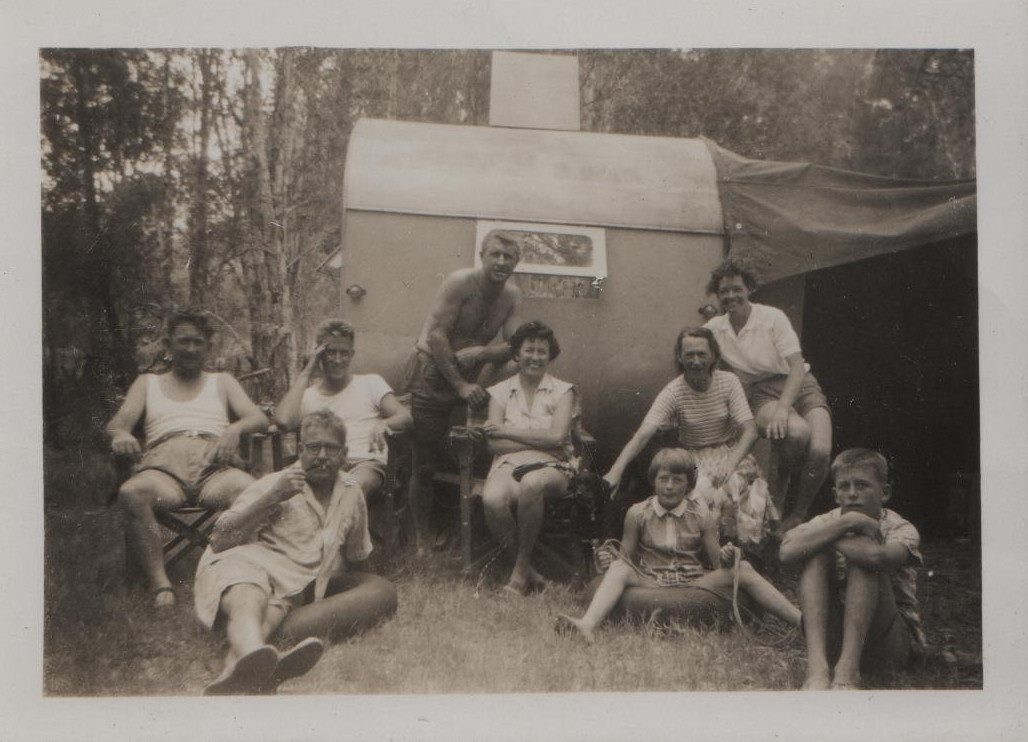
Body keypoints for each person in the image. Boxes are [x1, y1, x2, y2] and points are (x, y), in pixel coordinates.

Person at [194, 409, 398, 695]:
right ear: (300, 450)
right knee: (251, 596)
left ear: (345, 454)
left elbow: (358, 557)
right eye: (314, 448)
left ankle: (236, 671)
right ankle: (260, 661)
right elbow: (219, 539)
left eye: (331, 448)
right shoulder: (276, 483)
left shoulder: (352, 491)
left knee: (275, 608)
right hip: (242, 564)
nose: (322, 456)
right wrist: (274, 496)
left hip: (290, 587)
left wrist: (370, 595)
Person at [107, 309, 269, 608]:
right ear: (168, 345)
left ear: (209, 346)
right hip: (163, 470)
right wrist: (121, 435)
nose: (191, 349)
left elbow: (258, 418)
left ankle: (238, 575)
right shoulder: (147, 383)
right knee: (132, 491)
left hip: (215, 467)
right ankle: (161, 585)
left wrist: (234, 429)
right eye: (183, 341)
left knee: (249, 489)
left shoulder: (222, 381)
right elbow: (117, 425)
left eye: (198, 342)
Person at [555, 448, 800, 643]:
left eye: (677, 480)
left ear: (689, 484)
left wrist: (727, 556)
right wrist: (608, 561)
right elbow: (625, 558)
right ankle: (587, 625)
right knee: (619, 569)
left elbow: (717, 563)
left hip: (693, 580)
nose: (669, 486)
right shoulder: (638, 513)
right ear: (654, 481)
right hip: (651, 579)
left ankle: (801, 622)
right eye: (663, 479)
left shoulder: (702, 515)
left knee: (742, 568)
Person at [405, 230, 524, 555]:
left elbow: (515, 347)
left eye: (508, 257)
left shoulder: (512, 296)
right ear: (482, 256)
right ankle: (421, 536)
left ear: (516, 263)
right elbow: (436, 336)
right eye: (495, 254)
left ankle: (467, 530)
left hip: (471, 378)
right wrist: (460, 385)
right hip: (433, 373)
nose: (501, 262)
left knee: (473, 452)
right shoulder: (460, 282)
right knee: (424, 461)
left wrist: (481, 353)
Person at [779, 449, 925, 690]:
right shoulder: (829, 520)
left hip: (889, 641)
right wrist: (847, 523)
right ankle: (817, 669)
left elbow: (878, 557)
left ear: (885, 492)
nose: (852, 493)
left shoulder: (900, 527)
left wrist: (828, 536)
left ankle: (847, 673)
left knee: (863, 554)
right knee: (816, 555)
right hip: (837, 636)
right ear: (835, 495)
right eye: (844, 487)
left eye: (862, 485)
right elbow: (785, 553)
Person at [704, 259, 832, 531]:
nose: (731, 296)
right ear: (717, 294)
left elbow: (796, 366)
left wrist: (784, 407)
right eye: (724, 291)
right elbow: (700, 360)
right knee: (796, 433)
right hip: (763, 391)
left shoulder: (772, 317)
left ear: (749, 289)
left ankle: (798, 515)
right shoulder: (715, 329)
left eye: (737, 289)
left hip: (801, 384)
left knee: (820, 450)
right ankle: (777, 505)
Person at [602, 327, 767, 534]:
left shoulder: (728, 382)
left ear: (713, 356)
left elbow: (750, 431)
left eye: (702, 354)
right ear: (680, 357)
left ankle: (737, 547)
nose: (696, 361)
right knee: (701, 490)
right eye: (689, 355)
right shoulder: (674, 391)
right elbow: (643, 434)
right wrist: (616, 471)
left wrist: (729, 464)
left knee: (734, 485)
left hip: (731, 454)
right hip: (694, 459)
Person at [476, 321, 575, 596]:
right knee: (492, 499)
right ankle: (530, 570)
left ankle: (519, 574)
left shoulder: (564, 391)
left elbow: (557, 437)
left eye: (542, 351)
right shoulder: (499, 392)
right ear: (517, 354)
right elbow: (493, 443)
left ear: (550, 355)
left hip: (552, 466)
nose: (535, 357)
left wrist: (508, 431)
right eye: (529, 350)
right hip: (508, 464)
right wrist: (539, 438)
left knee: (532, 482)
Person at [275, 318, 413, 503]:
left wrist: (384, 423)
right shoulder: (308, 396)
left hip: (362, 464)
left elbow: (405, 416)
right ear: (319, 354)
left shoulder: (370, 383)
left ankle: (334, 521)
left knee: (351, 488)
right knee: (277, 489)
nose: (338, 360)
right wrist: (308, 370)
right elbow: (283, 421)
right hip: (319, 466)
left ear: (351, 354)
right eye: (331, 352)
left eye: (344, 353)